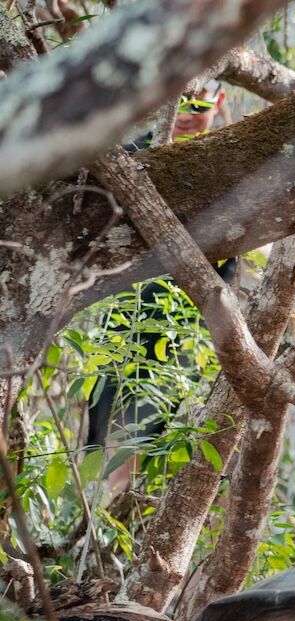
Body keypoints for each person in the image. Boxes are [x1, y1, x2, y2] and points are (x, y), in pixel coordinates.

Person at [86, 79, 234, 498]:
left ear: (219, 100)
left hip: (189, 321)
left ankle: (127, 510)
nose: (188, 113)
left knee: (160, 425)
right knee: (107, 416)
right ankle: (96, 517)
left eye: (199, 102)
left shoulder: (235, 159)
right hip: (127, 313)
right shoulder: (132, 155)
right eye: (180, 100)